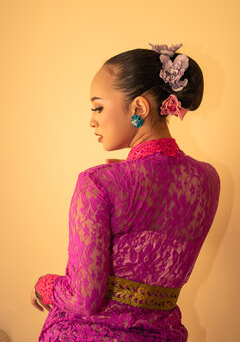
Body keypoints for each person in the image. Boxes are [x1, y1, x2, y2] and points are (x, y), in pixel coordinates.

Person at [30, 43, 220, 341]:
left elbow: (83, 298)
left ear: (139, 108)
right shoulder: (208, 179)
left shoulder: (99, 183)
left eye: (98, 107)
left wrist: (43, 285)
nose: (92, 119)